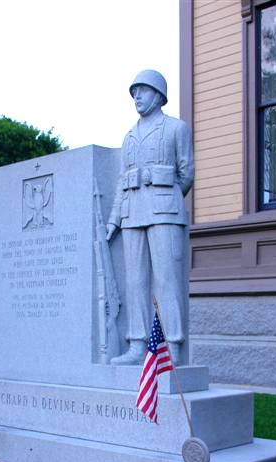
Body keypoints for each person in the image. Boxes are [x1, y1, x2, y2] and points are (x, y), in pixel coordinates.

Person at [106, 69, 194, 365]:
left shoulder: (175, 129)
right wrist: (114, 219)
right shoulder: (129, 136)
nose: (137, 97)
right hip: (132, 214)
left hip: (165, 212)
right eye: (134, 92)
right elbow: (122, 181)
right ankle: (137, 343)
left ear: (158, 95)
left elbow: (186, 173)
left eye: (142, 90)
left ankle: (174, 345)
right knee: (135, 280)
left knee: (167, 281)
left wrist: (167, 198)